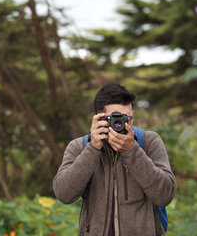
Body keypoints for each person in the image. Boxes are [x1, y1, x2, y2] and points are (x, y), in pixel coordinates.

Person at [53, 84, 176, 236]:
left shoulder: (149, 141)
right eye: (114, 119)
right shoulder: (79, 146)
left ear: (133, 115)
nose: (121, 125)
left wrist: (132, 151)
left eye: (127, 118)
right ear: (99, 118)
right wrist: (92, 149)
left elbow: (165, 195)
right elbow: (63, 194)